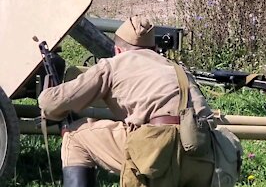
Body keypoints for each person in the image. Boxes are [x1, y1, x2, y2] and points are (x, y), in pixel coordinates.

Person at [38, 15, 242, 187]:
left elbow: (52, 104)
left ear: (118, 49)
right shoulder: (177, 68)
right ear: (154, 48)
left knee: (76, 136)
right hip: (204, 154)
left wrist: (49, 100)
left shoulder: (113, 64)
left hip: (157, 153)